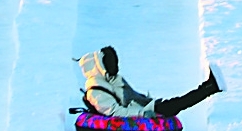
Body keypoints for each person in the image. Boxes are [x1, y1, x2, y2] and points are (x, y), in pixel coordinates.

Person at [77, 46, 222, 119]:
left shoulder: (110, 80)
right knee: (177, 104)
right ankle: (210, 87)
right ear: (100, 68)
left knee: (175, 103)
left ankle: (209, 87)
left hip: (144, 105)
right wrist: (142, 113)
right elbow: (115, 111)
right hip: (141, 111)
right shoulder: (96, 91)